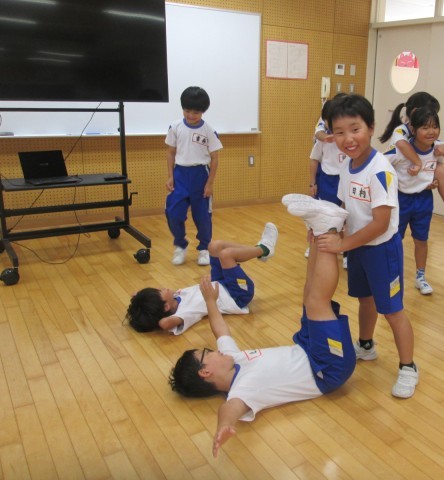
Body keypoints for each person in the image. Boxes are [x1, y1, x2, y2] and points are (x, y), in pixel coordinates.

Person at [169, 204, 356, 458]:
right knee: (317, 302)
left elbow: (220, 330)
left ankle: (318, 230)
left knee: (309, 295)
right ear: (205, 371)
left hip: (306, 348)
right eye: (207, 353)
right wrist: (224, 425)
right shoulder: (242, 390)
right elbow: (229, 410)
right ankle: (328, 229)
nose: (214, 351)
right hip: (326, 368)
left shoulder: (232, 359)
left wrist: (211, 301)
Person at [313, 93, 419, 399]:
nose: (347, 139)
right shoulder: (347, 165)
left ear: (371, 128)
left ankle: (409, 367)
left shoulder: (381, 170)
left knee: (393, 310)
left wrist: (342, 244)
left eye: (355, 129)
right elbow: (344, 207)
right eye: (339, 132)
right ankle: (367, 345)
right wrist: (325, 226)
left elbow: (380, 224)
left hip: (382, 250)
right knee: (365, 300)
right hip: (359, 247)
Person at [125, 223, 278, 334]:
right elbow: (165, 323)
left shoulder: (175, 298)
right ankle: (265, 249)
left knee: (215, 246)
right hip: (237, 295)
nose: (162, 288)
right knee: (226, 255)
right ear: (165, 307)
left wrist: (138, 299)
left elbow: (153, 303)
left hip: (220, 282)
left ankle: (259, 251)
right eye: (159, 292)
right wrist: (155, 321)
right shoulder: (184, 313)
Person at [379, 91, 444, 225]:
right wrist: (418, 163)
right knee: (397, 230)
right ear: (415, 112)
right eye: (430, 113)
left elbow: (440, 146)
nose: (431, 120)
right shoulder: (401, 130)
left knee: (441, 170)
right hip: (401, 183)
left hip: (419, 187)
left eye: (434, 125)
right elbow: (401, 144)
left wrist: (443, 151)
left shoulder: (426, 135)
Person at [386, 107, 441, 295]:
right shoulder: (401, 149)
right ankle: (392, 276)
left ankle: (421, 277)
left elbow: (436, 168)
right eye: (425, 128)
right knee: (395, 239)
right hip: (401, 199)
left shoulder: (437, 148)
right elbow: (380, 165)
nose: (431, 132)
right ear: (413, 129)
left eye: (435, 127)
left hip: (424, 200)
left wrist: (432, 181)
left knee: (421, 240)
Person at [165, 86, 222, 266]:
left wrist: (210, 183)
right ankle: (180, 245)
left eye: (196, 112)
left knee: (203, 216)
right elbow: (170, 152)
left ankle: (204, 248)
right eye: (187, 111)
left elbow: (215, 158)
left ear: (203, 112)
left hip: (200, 176)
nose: (191, 115)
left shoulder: (208, 131)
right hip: (180, 175)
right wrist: (170, 176)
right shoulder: (175, 127)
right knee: (173, 213)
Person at [309, 95, 349, 266]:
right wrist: (312, 183)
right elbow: (314, 159)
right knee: (324, 216)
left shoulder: (348, 139)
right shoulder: (323, 138)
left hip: (345, 179)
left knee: (346, 217)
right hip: (327, 181)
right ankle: (316, 244)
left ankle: (347, 252)